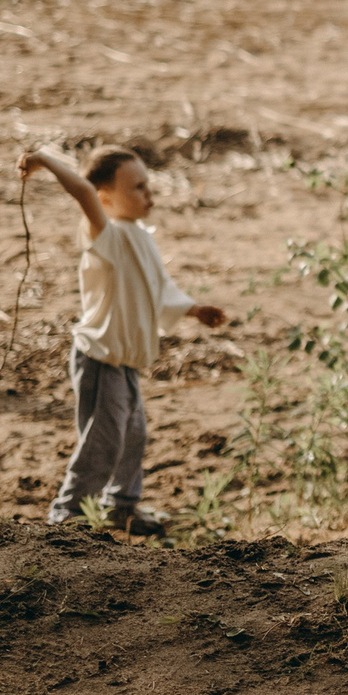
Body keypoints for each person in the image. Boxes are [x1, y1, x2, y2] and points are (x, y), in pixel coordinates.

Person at [20, 144, 227, 535]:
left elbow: (155, 288)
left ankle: (121, 506)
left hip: (126, 361)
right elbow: (81, 191)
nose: (149, 195)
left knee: (134, 435)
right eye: (138, 188)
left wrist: (192, 309)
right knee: (104, 439)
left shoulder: (139, 236)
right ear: (106, 198)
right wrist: (45, 160)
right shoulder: (106, 235)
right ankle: (68, 516)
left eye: (148, 186)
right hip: (100, 359)